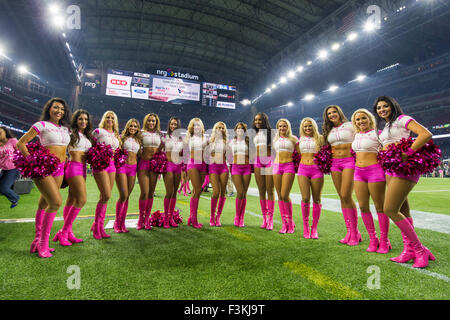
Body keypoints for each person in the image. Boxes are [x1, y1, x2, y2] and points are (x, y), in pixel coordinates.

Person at [374, 96, 435, 268]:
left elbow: (425, 134)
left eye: (385, 106)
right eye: (379, 108)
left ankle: (420, 249)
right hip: (390, 167)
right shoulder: (385, 126)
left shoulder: (402, 119)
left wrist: (407, 152)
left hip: (404, 166)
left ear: (393, 106)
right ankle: (408, 250)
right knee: (403, 209)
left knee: (389, 209)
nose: (382, 109)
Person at [17, 98, 71, 258]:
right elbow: (21, 143)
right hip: (44, 168)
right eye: (55, 108)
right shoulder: (40, 125)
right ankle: (43, 243)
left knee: (44, 202)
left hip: (60, 168)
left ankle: (36, 240)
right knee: (55, 202)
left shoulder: (65, 129)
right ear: (49, 109)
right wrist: (32, 160)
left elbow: (64, 148)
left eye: (61, 109)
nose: (59, 111)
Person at [351, 109, 391, 253]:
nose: (360, 121)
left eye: (363, 118)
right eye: (357, 119)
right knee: (363, 206)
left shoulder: (377, 134)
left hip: (375, 171)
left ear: (370, 119)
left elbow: (388, 150)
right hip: (358, 173)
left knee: (380, 207)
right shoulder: (356, 135)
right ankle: (373, 239)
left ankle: (385, 240)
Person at [322, 105, 361, 246]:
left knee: (346, 195)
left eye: (334, 112)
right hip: (335, 163)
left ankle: (355, 232)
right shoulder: (329, 130)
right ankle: (350, 231)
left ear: (339, 112)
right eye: (329, 113)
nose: (332, 115)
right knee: (341, 196)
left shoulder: (351, 125)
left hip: (349, 161)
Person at [53, 109, 93, 245]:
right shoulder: (70, 133)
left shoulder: (87, 136)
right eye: (80, 119)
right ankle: (63, 232)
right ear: (76, 120)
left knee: (71, 200)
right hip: (73, 167)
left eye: (86, 119)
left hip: (83, 169)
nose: (83, 122)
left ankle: (69, 232)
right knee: (81, 200)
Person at [91, 111, 120, 239]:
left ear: (115, 121)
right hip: (101, 165)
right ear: (104, 119)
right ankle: (97, 227)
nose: (110, 119)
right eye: (107, 117)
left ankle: (99, 226)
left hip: (112, 166)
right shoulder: (98, 131)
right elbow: (90, 147)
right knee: (106, 195)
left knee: (105, 196)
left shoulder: (116, 134)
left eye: (112, 118)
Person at [297, 118, 324, 239]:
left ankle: (314, 228)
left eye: (309, 126)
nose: (307, 128)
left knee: (317, 199)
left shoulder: (321, 139)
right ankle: (306, 227)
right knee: (305, 198)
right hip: (302, 169)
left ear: (314, 126)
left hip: (316, 170)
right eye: (305, 126)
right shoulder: (299, 140)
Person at [114, 118, 142, 233]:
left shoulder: (139, 140)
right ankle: (117, 222)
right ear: (127, 126)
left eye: (135, 126)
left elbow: (139, 155)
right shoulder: (121, 138)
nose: (133, 128)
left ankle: (122, 223)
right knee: (123, 195)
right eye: (131, 126)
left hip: (133, 168)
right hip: (122, 167)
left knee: (127, 196)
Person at [137, 113, 162, 230]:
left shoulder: (159, 134)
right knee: (144, 192)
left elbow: (161, 149)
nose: (151, 123)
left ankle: (147, 219)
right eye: (149, 121)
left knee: (151, 193)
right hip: (143, 164)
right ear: (146, 121)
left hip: (155, 166)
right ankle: (140, 219)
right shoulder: (141, 133)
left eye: (153, 121)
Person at [273, 118, 298, 234]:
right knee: (279, 196)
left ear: (288, 127)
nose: (282, 128)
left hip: (288, 166)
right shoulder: (275, 139)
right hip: (277, 167)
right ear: (277, 127)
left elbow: (299, 154)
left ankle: (290, 222)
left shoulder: (294, 139)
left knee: (285, 195)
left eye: (284, 126)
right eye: (280, 126)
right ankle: (285, 223)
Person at [252, 112, 275, 230]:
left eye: (260, 120)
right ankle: (264, 218)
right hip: (258, 162)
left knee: (270, 190)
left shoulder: (271, 133)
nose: (257, 122)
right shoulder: (254, 134)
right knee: (261, 190)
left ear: (264, 121)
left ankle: (270, 219)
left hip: (269, 162)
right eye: (255, 120)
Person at [185, 118, 208, 228]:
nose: (197, 127)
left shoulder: (205, 138)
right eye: (195, 125)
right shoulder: (189, 137)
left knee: (197, 191)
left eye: (199, 125)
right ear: (192, 127)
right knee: (197, 189)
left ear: (202, 126)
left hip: (203, 165)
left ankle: (191, 217)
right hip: (193, 164)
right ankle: (194, 219)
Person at [162, 117, 184, 228]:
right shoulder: (165, 137)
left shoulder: (181, 139)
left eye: (175, 124)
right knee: (169, 192)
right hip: (168, 165)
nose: (173, 126)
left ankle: (171, 218)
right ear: (169, 125)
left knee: (175, 192)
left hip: (178, 166)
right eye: (172, 124)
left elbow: (183, 154)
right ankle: (166, 218)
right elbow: (160, 150)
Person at [229, 122, 252, 227]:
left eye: (242, 129)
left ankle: (241, 218)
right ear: (235, 130)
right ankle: (237, 216)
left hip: (246, 167)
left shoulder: (248, 142)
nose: (239, 130)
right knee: (240, 192)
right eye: (238, 129)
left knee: (244, 193)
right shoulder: (232, 142)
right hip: (236, 167)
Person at [208, 121, 229, 227]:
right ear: (215, 129)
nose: (220, 129)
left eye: (222, 128)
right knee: (215, 192)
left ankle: (218, 217)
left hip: (224, 167)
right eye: (218, 127)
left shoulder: (226, 142)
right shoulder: (210, 140)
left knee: (222, 193)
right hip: (213, 167)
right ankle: (212, 216)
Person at [0, 126, 20, 208]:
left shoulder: (13, 141)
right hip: (2, 169)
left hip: (13, 169)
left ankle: (15, 198)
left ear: (5, 132)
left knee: (4, 188)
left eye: (0, 133)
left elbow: (20, 152)